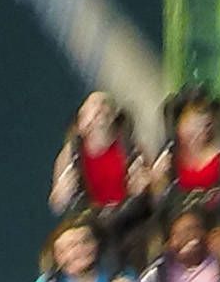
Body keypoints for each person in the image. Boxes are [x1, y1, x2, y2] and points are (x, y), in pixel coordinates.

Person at [49, 89, 148, 227]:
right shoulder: (69, 155)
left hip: (130, 221)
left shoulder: (132, 147)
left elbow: (154, 188)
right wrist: (60, 196)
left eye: (104, 103)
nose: (99, 107)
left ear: (114, 116)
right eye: (92, 105)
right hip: (91, 225)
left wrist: (145, 185)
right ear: (81, 123)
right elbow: (56, 205)